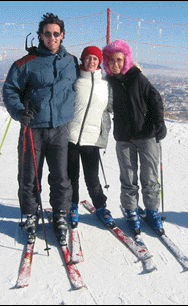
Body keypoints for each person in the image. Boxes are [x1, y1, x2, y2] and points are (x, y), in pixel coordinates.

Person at [3, 13, 79, 244]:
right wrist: (19, 111)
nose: (52, 37)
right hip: (33, 128)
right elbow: (10, 90)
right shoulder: (25, 64)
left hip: (60, 128)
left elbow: (84, 84)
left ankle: (60, 214)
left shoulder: (71, 62)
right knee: (29, 175)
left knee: (61, 176)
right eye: (47, 34)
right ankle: (30, 213)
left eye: (56, 33)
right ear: (40, 36)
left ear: (63, 35)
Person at [102, 40, 167, 236]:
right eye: (111, 60)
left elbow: (155, 100)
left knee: (149, 176)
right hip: (123, 137)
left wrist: (159, 124)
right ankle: (131, 211)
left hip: (146, 135)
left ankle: (152, 211)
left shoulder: (138, 78)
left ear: (126, 59)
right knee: (128, 178)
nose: (115, 64)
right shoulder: (108, 83)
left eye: (119, 59)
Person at [67, 46, 114, 228]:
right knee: (71, 177)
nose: (91, 61)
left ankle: (100, 206)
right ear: (82, 60)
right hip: (70, 136)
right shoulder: (76, 80)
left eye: (95, 58)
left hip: (92, 139)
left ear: (99, 61)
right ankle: (72, 205)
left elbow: (113, 107)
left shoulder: (105, 84)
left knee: (92, 178)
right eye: (88, 58)